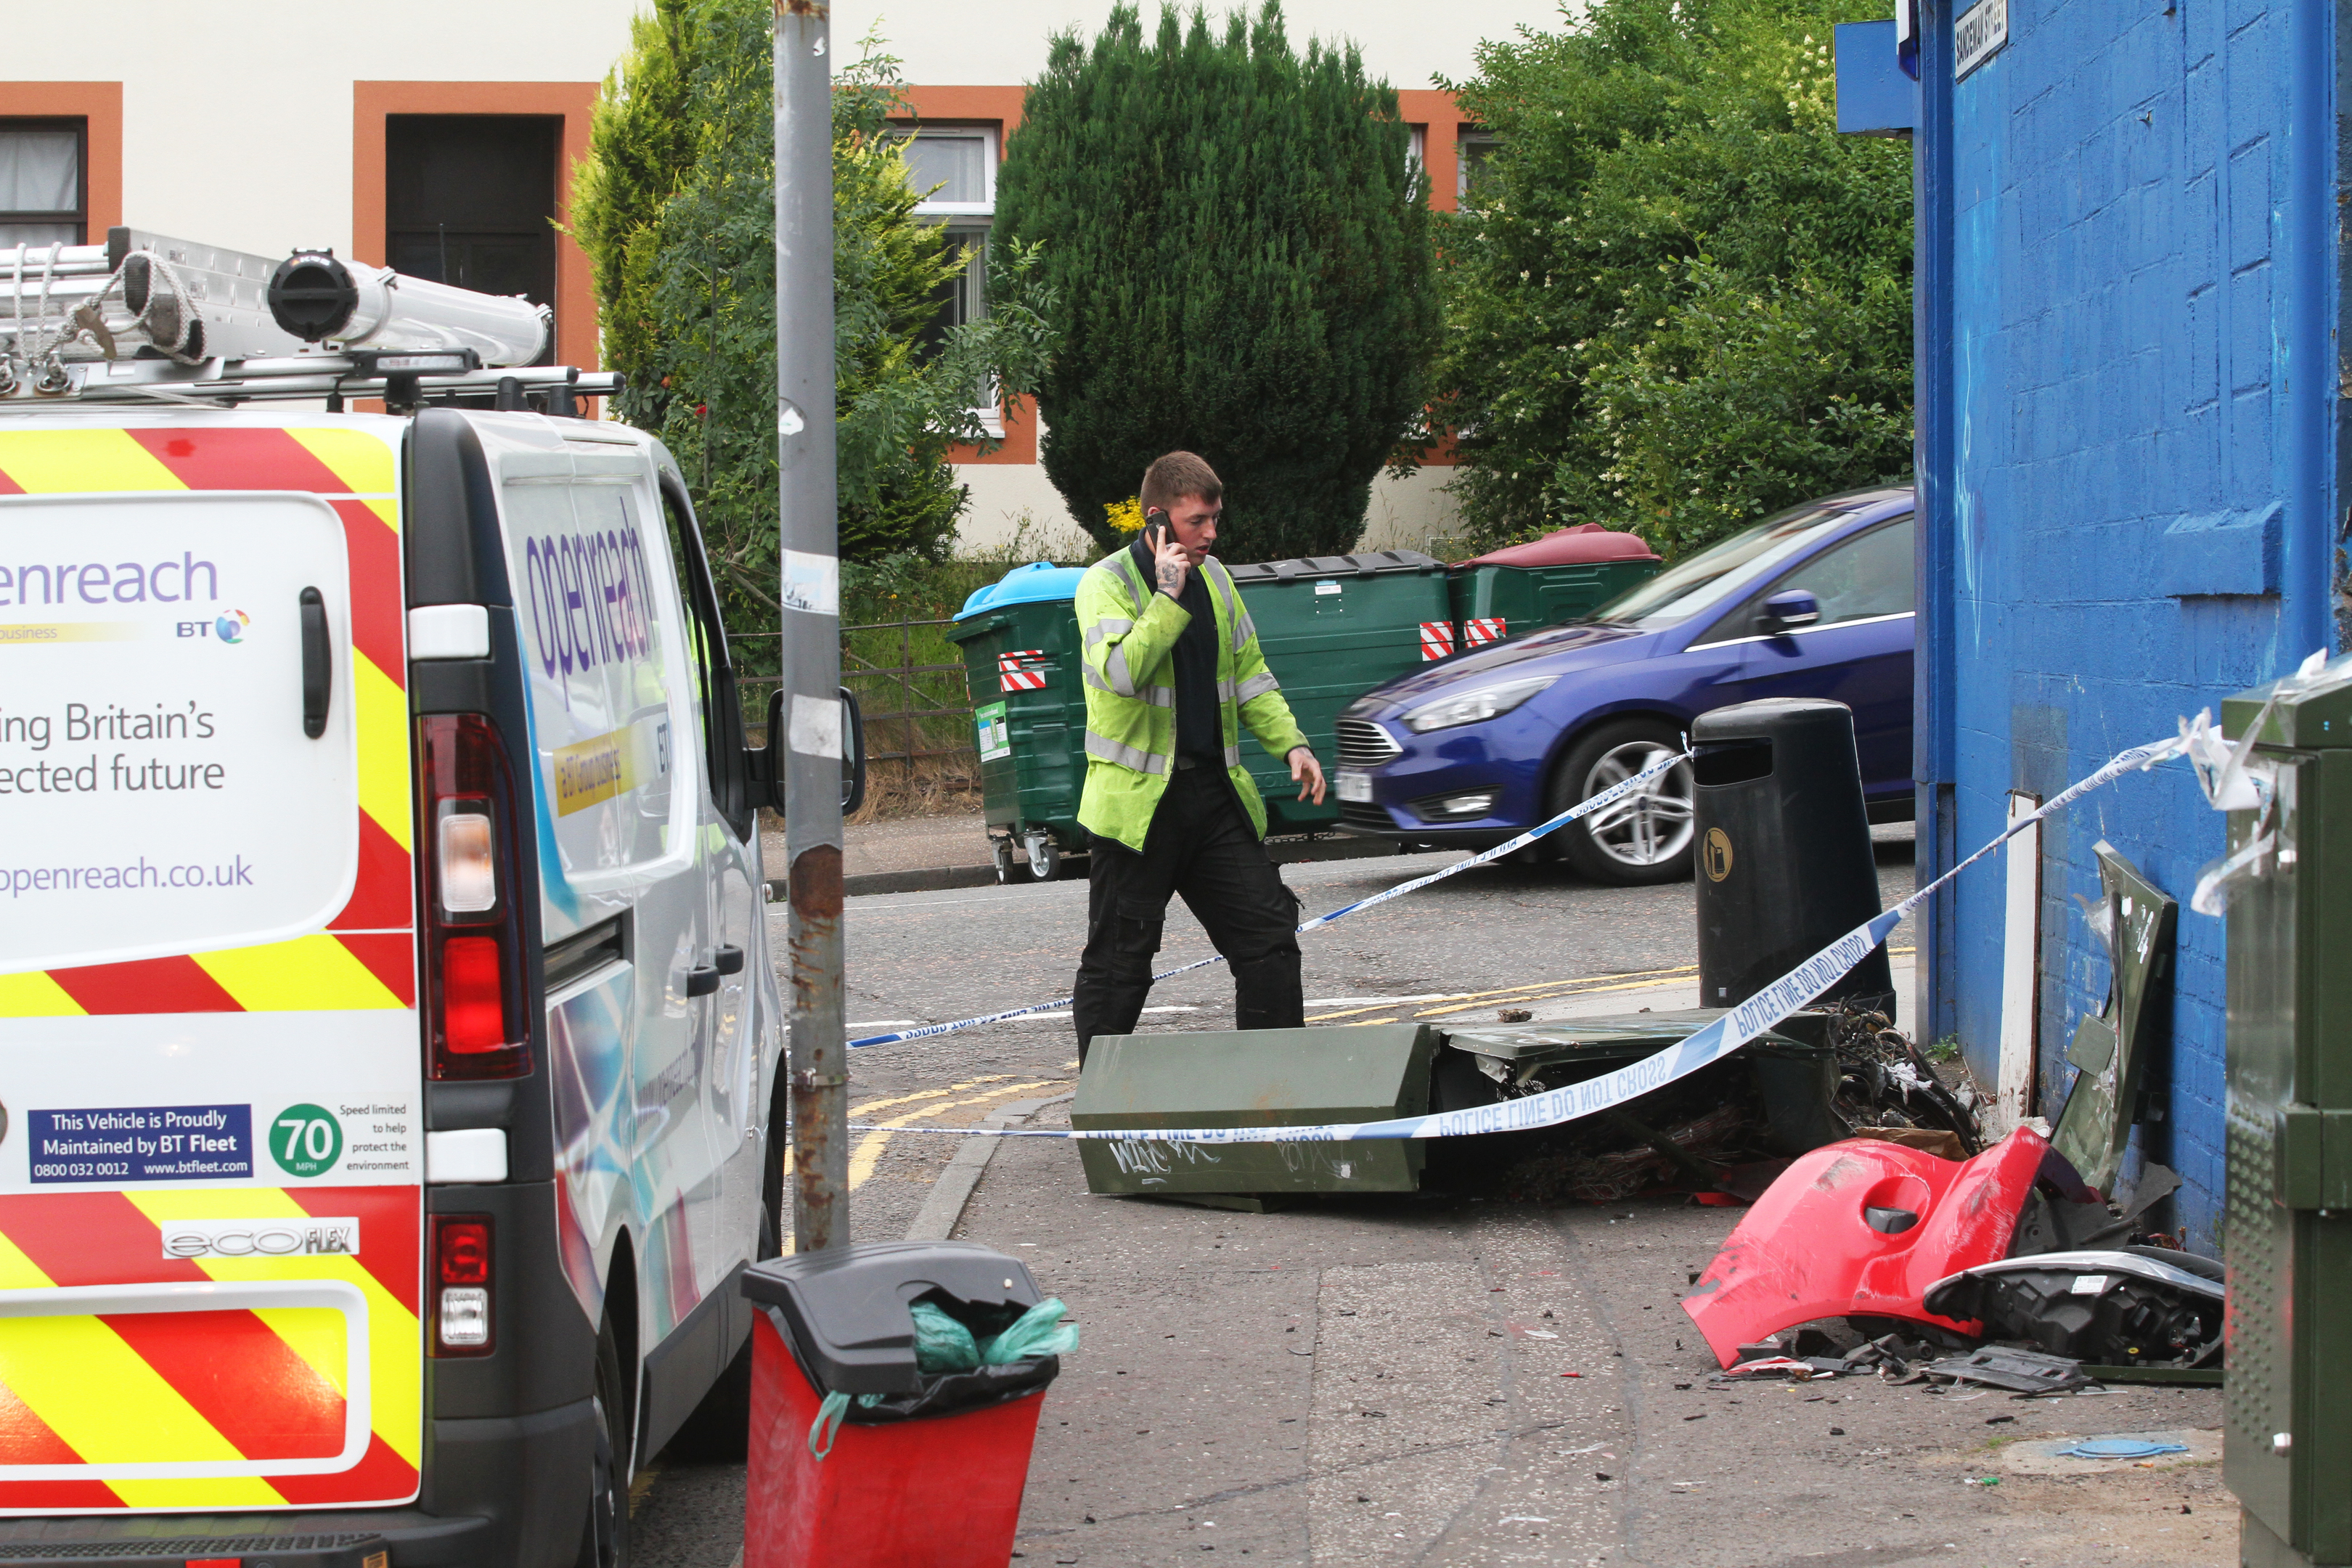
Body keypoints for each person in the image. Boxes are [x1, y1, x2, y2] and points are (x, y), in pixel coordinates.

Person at [1070, 451, 1326, 1063]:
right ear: (1157, 521)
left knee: (1269, 940)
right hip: (1139, 810)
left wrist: (1291, 743)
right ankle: (1102, 1115)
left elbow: (1250, 677)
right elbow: (1122, 672)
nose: (1211, 533)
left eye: (1215, 519)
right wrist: (1166, 596)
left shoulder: (1219, 580)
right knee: (1119, 967)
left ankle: (1274, 1097)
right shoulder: (1105, 583)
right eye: (1197, 521)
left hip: (1212, 799)